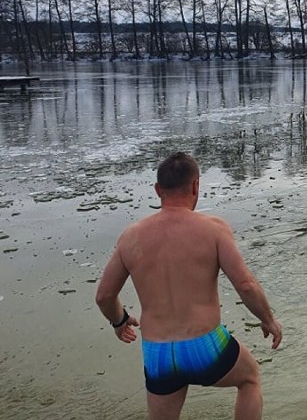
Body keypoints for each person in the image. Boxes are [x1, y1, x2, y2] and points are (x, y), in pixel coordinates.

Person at [95, 153, 282, 420]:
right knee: (250, 379)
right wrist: (268, 319)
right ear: (196, 186)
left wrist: (119, 321)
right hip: (204, 347)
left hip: (158, 353)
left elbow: (104, 295)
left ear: (158, 190)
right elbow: (246, 284)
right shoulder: (214, 229)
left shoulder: (130, 237)